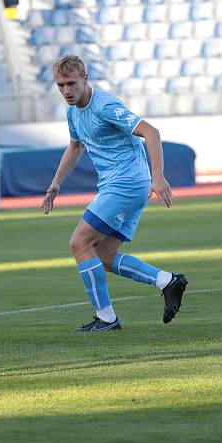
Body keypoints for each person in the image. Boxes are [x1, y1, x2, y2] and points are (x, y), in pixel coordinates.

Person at [41, 55, 188, 332]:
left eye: (71, 83)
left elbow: (151, 132)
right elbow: (75, 148)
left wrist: (158, 176)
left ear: (85, 79)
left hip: (127, 183)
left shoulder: (105, 105)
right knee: (104, 256)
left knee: (79, 244)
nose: (66, 91)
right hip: (119, 185)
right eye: (60, 85)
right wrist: (56, 184)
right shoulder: (72, 111)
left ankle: (106, 318)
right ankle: (167, 281)